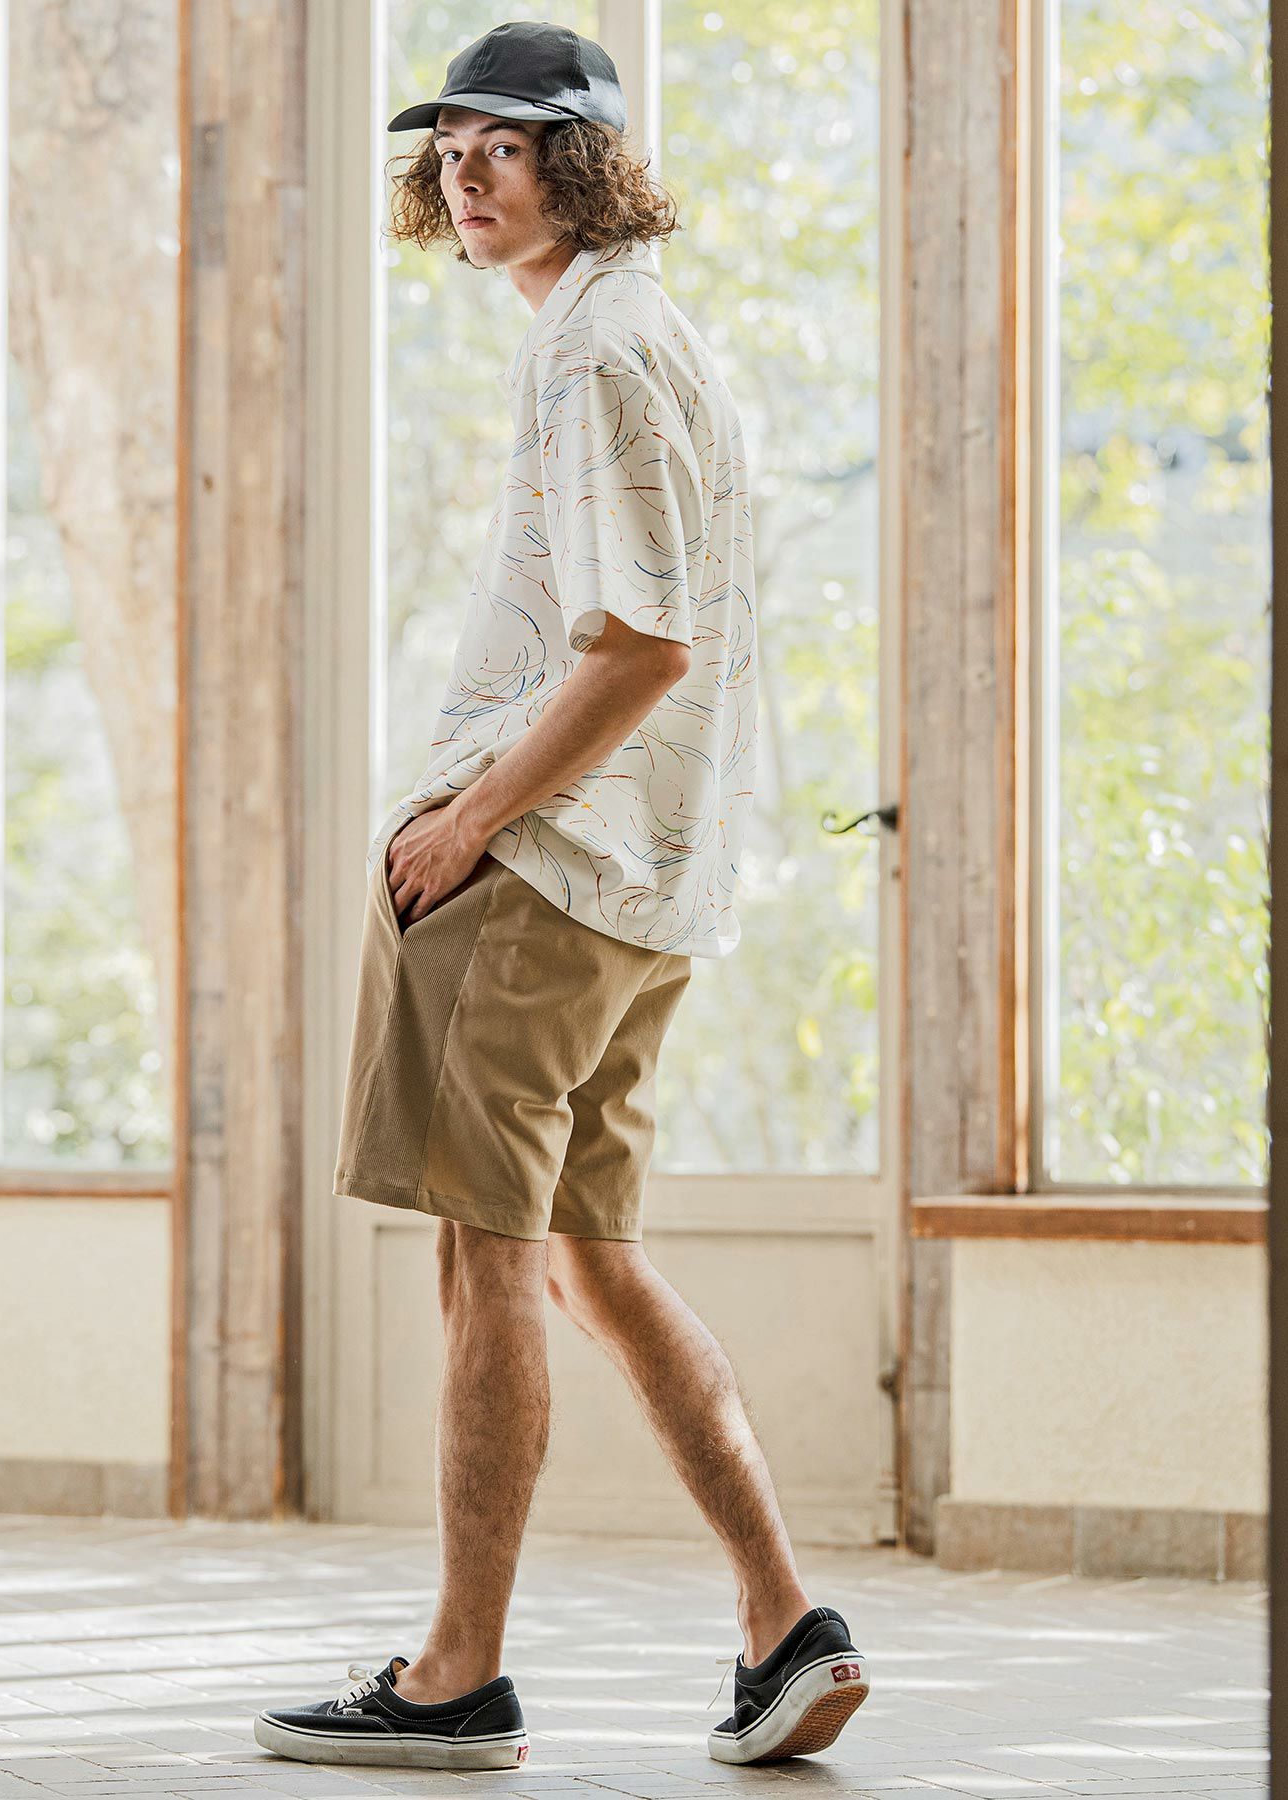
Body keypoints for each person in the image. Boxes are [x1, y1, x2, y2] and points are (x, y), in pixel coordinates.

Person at [254, 19, 870, 1774]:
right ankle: (788, 1625)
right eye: (448, 150)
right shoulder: (642, 333)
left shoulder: (592, 353)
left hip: (544, 874)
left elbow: (642, 649)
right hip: (644, 889)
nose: (465, 176)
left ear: (579, 166)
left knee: (489, 1267)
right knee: (594, 1259)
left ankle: (457, 1677)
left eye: (503, 148)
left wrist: (466, 826)